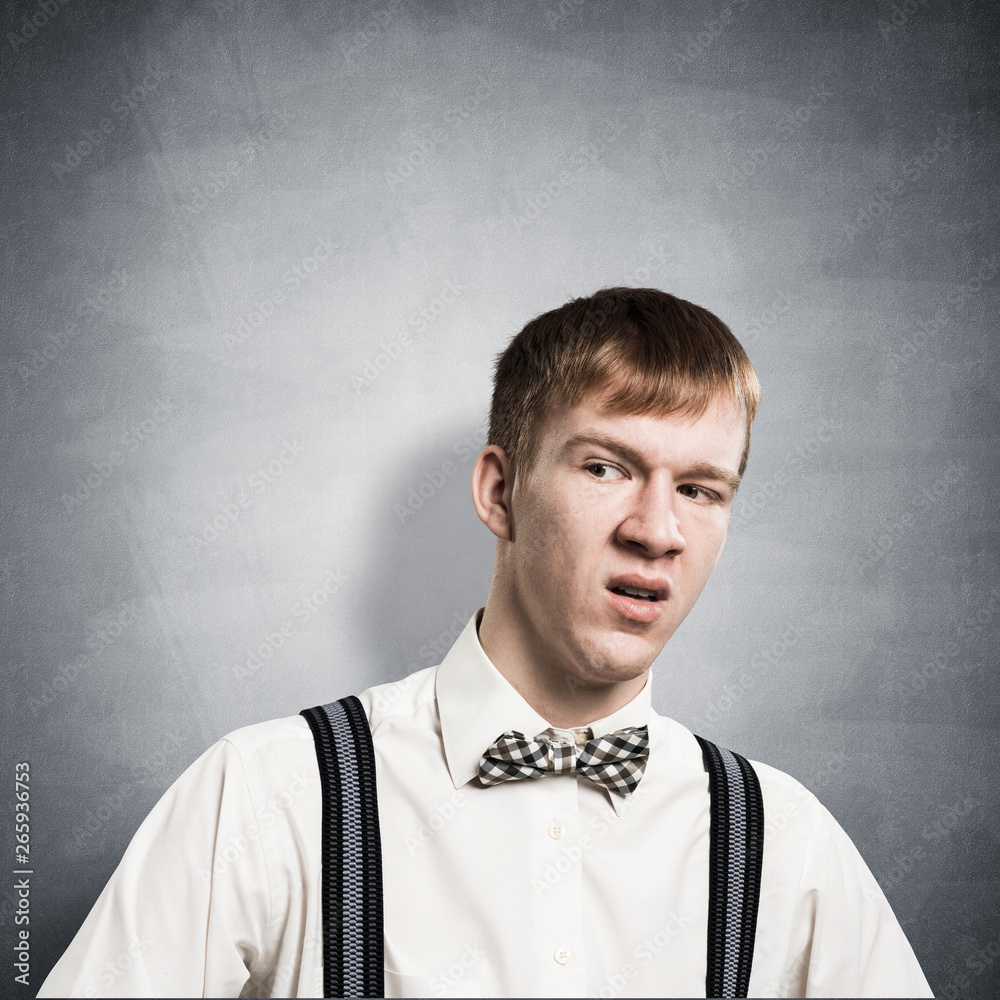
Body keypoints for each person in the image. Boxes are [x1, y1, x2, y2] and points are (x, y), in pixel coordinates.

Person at [38, 287, 932, 998]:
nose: (657, 530)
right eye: (605, 467)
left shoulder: (787, 844)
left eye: (700, 489)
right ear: (499, 492)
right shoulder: (264, 799)